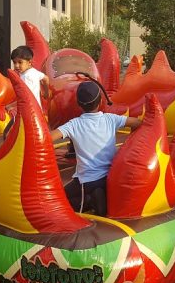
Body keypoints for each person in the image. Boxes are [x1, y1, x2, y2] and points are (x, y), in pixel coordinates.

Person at [50, 81, 141, 217]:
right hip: (110, 177)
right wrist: (129, 144)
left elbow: (47, 138)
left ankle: (90, 200)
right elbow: (138, 123)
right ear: (100, 102)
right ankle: (97, 197)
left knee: (57, 202)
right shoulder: (111, 119)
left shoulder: (74, 125)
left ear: (79, 104)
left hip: (87, 181)